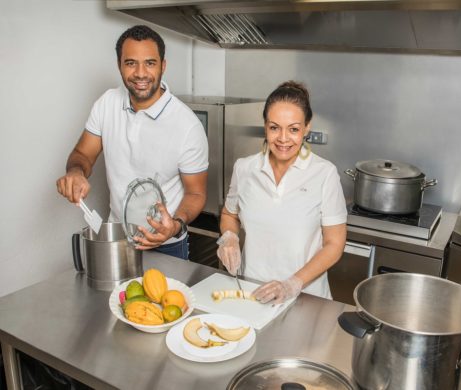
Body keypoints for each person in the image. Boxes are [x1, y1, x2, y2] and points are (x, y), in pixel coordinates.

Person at [56, 25, 208, 260]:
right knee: (113, 298)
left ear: (163, 66)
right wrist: (76, 172)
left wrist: (175, 225)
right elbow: (83, 154)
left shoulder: (187, 125)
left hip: (166, 244)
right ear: (119, 65)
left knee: (164, 299)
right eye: (130, 63)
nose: (140, 73)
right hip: (117, 237)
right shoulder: (106, 103)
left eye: (149, 63)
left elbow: (196, 194)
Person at [217, 81, 347, 304]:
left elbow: (334, 244)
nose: (283, 139)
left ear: (307, 128)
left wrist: (293, 284)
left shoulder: (324, 174)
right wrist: (229, 237)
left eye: (294, 129)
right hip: (252, 292)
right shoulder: (245, 168)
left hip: (307, 298)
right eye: (274, 127)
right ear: (265, 126)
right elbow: (230, 215)